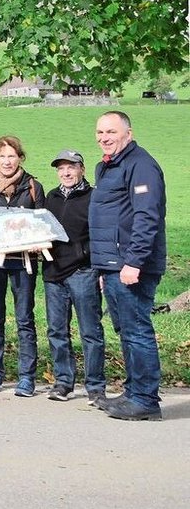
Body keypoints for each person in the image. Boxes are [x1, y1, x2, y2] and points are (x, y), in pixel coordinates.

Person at [89, 110, 167, 421]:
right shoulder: (109, 166)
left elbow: (147, 217)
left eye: (111, 132)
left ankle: (145, 400)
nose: (104, 138)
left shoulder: (140, 165)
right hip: (113, 265)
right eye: (100, 132)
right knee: (126, 331)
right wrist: (103, 268)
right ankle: (134, 392)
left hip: (132, 265)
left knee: (137, 331)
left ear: (128, 134)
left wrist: (134, 262)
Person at [0, 135, 46, 397]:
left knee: (25, 318)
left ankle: (26, 377)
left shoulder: (33, 187)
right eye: (2, 156)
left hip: (23, 263)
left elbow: (43, 222)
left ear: (20, 158)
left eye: (12, 156)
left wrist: (37, 241)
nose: (7, 161)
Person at [43, 149, 105, 405]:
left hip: (83, 272)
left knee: (90, 332)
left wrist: (97, 266)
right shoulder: (51, 197)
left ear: (82, 169)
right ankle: (63, 382)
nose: (66, 173)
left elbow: (101, 234)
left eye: (71, 167)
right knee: (57, 331)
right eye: (61, 168)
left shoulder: (94, 196)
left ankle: (95, 387)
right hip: (53, 273)